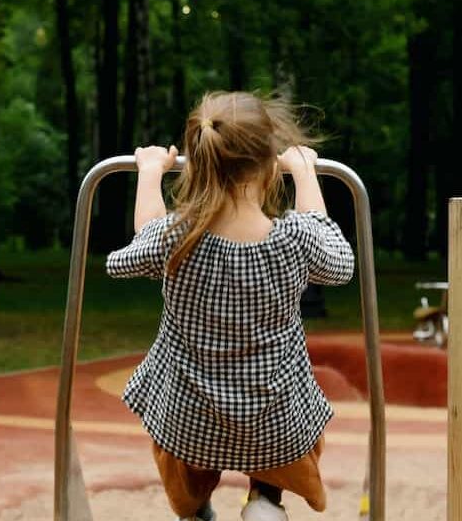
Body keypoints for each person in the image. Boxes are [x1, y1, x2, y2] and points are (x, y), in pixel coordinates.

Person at [106, 91, 355, 521]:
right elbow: (339, 260)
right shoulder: (295, 240)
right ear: (267, 166)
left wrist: (149, 175)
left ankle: (196, 509)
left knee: (178, 453)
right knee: (289, 432)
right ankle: (266, 499)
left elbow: (135, 248)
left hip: (188, 424)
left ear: (198, 164)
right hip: (276, 427)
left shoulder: (175, 238)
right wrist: (305, 174)